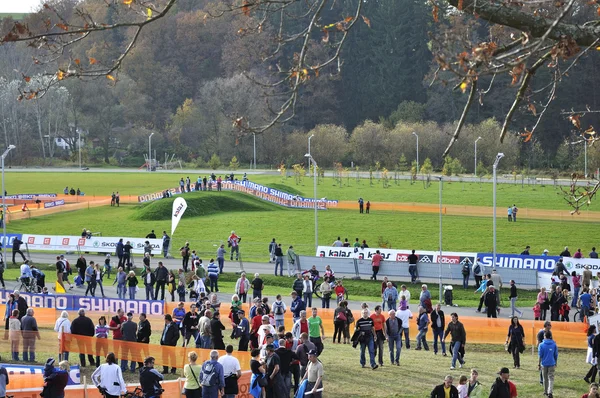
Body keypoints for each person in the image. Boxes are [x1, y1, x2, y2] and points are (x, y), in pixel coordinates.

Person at [538, 330, 558, 398]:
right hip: (552, 363)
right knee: (551, 378)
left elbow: (540, 355)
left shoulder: (541, 345)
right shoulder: (554, 344)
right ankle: (550, 391)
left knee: (545, 378)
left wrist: (539, 364)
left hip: (544, 363)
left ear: (545, 336)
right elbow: (556, 355)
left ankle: (546, 391)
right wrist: (556, 362)